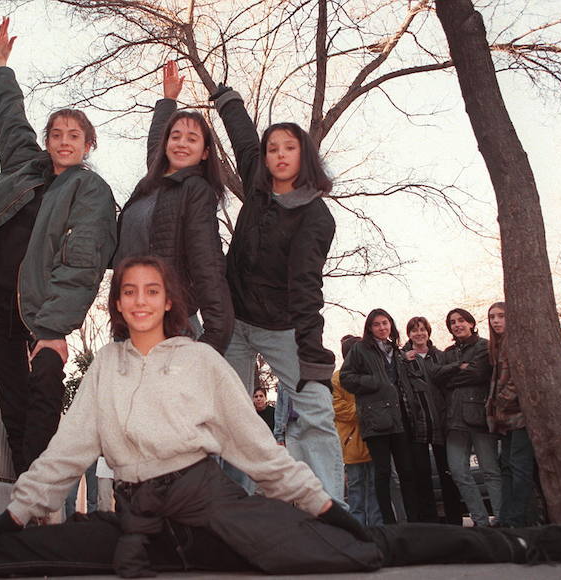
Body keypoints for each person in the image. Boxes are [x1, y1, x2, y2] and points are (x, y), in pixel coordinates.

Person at [0, 259, 561, 580]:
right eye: (130, 291)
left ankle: (519, 544)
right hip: (133, 526)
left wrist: (317, 504)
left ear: (170, 301)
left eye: (154, 291)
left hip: (218, 517)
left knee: (361, 549)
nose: (141, 300)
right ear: (117, 304)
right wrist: (12, 512)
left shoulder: (197, 362)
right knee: (3, 555)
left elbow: (255, 449)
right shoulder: (107, 370)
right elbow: (69, 452)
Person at [0, 17, 117, 475]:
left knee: (43, 392)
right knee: (11, 399)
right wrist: (0, 67)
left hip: (42, 312)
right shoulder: (26, 168)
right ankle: (24, 497)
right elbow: (10, 121)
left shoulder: (92, 192)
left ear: (88, 145)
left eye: (74, 136)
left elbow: (83, 264)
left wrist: (53, 327)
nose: (64, 142)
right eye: (57, 134)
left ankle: (41, 493)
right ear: (47, 141)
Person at [208, 83, 345, 502]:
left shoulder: (315, 217)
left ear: (303, 156)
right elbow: (245, 141)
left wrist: (312, 357)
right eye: (274, 149)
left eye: (289, 147)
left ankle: (328, 508)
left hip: (282, 327)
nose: (279, 154)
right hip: (235, 322)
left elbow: (305, 287)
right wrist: (227, 100)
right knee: (225, 416)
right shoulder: (258, 185)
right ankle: (226, 509)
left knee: (315, 409)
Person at [112, 60, 233, 353]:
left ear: (205, 153)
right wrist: (167, 101)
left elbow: (207, 261)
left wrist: (217, 331)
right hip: (131, 317)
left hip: (170, 324)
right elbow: (155, 145)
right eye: (175, 136)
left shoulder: (195, 191)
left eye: (192, 139)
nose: (181, 143)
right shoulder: (153, 184)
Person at [340, 309, 420, 523]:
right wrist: (373, 381)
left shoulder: (395, 350)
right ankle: (388, 524)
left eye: (385, 323)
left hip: (399, 418)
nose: (382, 328)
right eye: (377, 324)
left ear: (391, 325)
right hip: (375, 421)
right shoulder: (359, 349)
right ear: (370, 328)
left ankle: (413, 522)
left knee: (406, 472)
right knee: (382, 474)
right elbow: (346, 378)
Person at [432, 308, 502, 527]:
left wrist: (452, 375)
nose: (457, 325)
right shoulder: (448, 352)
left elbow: (479, 373)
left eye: (461, 320)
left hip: (478, 417)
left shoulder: (483, 346)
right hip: (453, 421)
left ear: (471, 323)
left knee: (490, 471)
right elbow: (438, 378)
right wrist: (457, 368)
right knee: (458, 472)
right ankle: (480, 521)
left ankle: (502, 519)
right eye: (452, 322)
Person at [486, 302, 538, 527]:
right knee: (506, 467)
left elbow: (520, 379)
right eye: (492, 317)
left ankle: (519, 519)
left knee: (519, 467)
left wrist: (501, 401)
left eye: (501, 316)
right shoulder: (498, 345)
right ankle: (507, 517)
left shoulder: (515, 342)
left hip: (519, 416)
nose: (496, 321)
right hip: (504, 419)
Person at [401, 316, 454, 524]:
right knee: (422, 476)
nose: (419, 333)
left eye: (422, 329)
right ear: (409, 334)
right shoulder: (403, 358)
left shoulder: (440, 356)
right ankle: (429, 522)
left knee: (447, 474)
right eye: (414, 330)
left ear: (428, 332)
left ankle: (454, 520)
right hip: (418, 424)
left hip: (442, 422)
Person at [332, 335, 383, 527]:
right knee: (355, 489)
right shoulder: (337, 379)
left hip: (375, 438)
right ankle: (358, 529)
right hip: (351, 442)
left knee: (374, 489)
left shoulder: (372, 375)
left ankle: (377, 529)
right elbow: (338, 408)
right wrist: (365, 409)